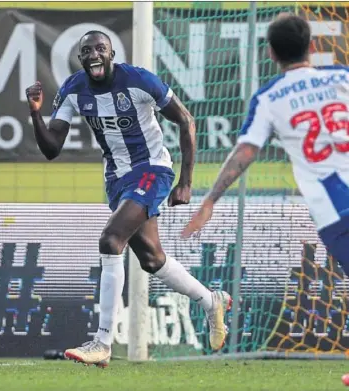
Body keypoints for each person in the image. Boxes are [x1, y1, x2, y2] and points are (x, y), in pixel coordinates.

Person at [26, 30, 232, 367]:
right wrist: (35, 113)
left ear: (111, 54)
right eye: (87, 50)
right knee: (152, 260)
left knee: (111, 239)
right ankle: (211, 301)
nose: (94, 54)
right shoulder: (73, 90)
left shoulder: (138, 80)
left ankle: (102, 342)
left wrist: (186, 182)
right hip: (117, 179)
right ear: (81, 58)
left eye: (100, 48)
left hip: (152, 169)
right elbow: (51, 148)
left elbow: (187, 121)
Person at [182, 14, 349, 279]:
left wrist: (210, 201)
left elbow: (246, 152)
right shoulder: (342, 77)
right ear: (313, 47)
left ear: (270, 53)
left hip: (335, 213)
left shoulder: (269, 98)